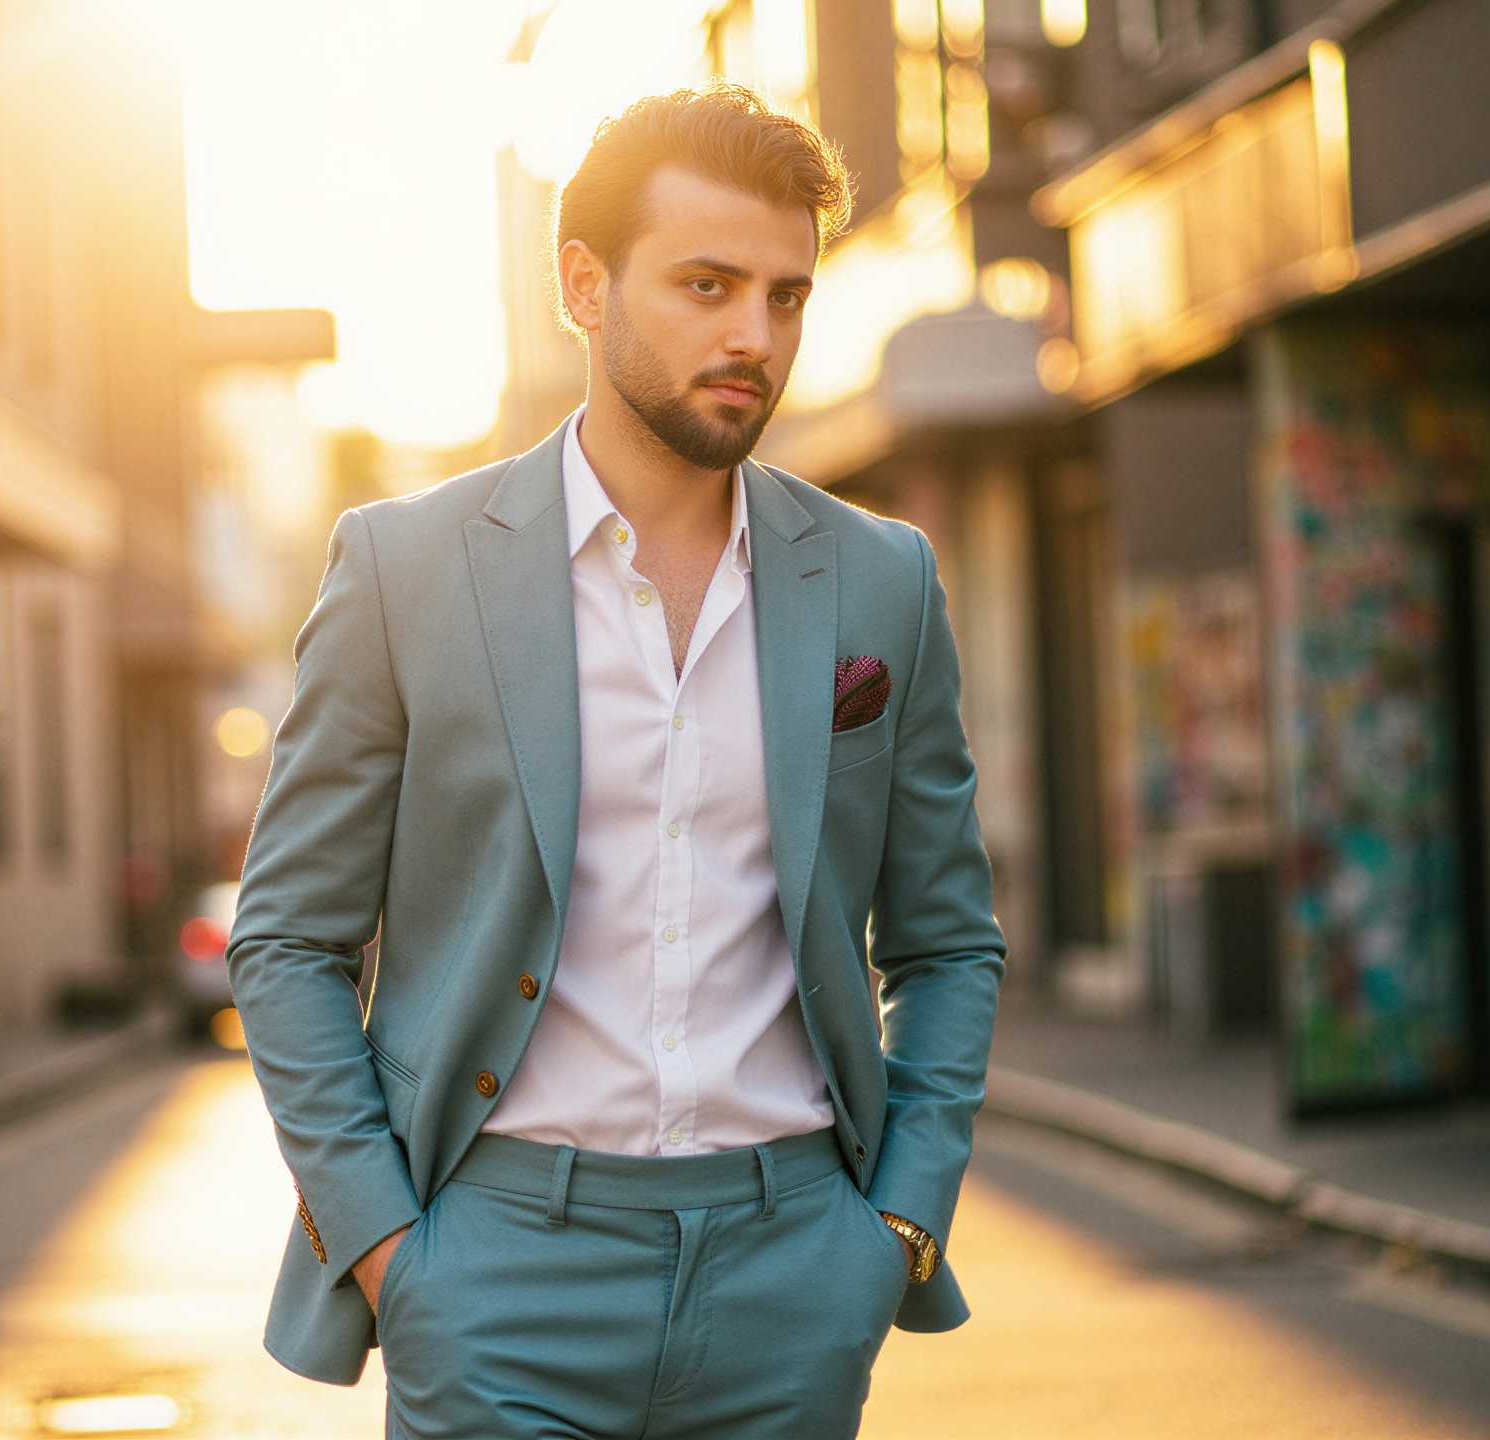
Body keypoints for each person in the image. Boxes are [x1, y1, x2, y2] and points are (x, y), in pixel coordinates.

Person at [227, 84, 1004, 1440]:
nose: (752, 336)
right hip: (496, 1278)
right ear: (583, 285)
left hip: (794, 1273)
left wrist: (895, 1226)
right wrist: (391, 1252)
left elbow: (945, 944)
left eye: (784, 297)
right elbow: (287, 940)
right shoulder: (407, 572)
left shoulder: (882, 583)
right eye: (707, 285)